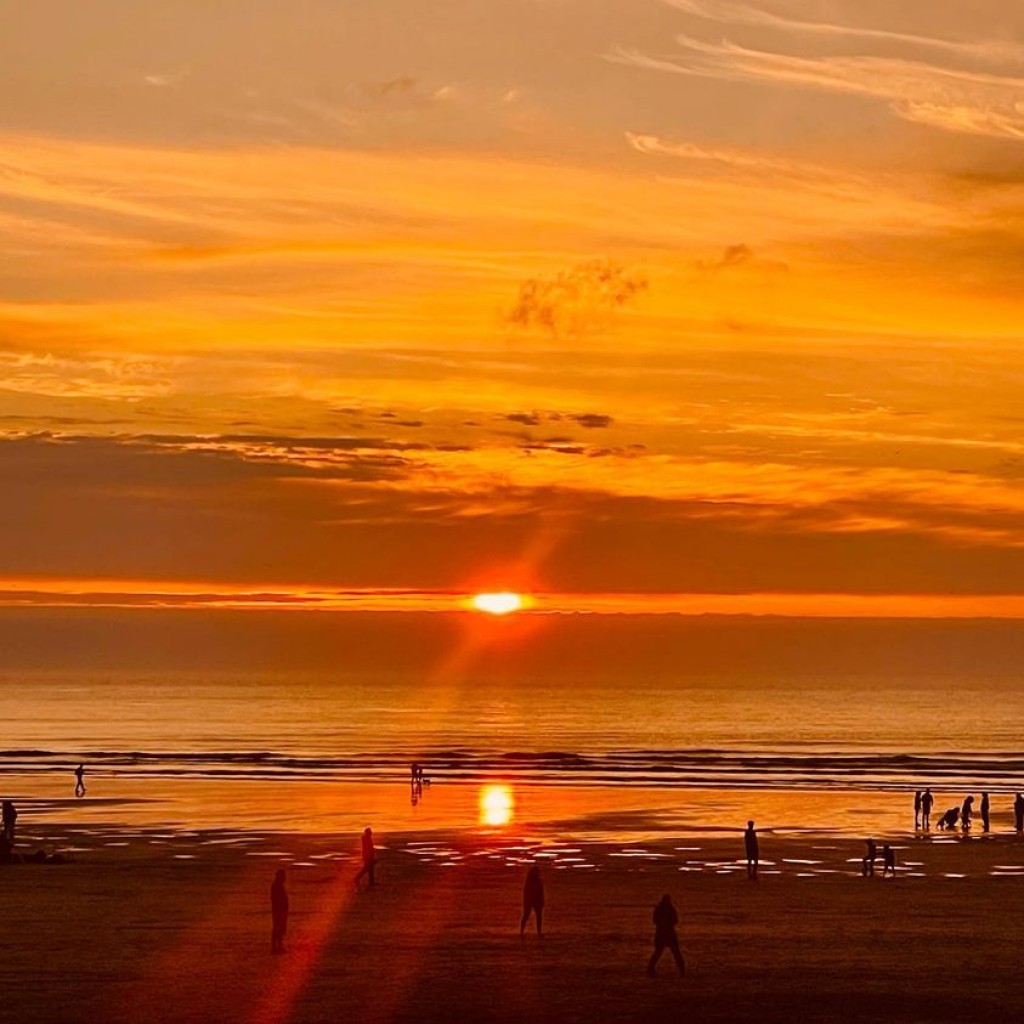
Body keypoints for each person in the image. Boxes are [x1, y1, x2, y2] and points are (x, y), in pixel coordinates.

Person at [647, 894, 685, 977]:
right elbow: (675, 921)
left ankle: (650, 969)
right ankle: (682, 970)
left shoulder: (659, 909)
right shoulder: (670, 909)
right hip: (669, 934)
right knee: (675, 952)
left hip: (660, 933)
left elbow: (654, 920)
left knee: (658, 952)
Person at [520, 863, 545, 936]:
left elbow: (541, 892)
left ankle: (538, 931)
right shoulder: (531, 881)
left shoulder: (537, 881)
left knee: (538, 916)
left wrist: (542, 900)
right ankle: (522, 931)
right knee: (527, 915)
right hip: (531, 900)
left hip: (536, 900)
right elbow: (528, 892)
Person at [270, 868, 288, 954]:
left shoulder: (278, 886)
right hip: (279, 911)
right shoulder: (276, 886)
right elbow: (276, 900)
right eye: (283, 876)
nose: (285, 878)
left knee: (280, 929)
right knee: (277, 928)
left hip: (280, 911)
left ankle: (278, 946)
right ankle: (276, 947)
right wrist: (278, 911)